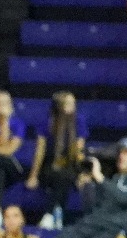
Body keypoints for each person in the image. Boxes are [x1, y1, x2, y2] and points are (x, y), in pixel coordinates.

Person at [27, 90, 85, 224]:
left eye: (74, 103)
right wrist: (33, 176)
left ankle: (49, 215)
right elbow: (40, 151)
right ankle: (57, 213)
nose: (73, 106)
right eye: (69, 103)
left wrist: (82, 173)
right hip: (50, 165)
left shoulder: (79, 121)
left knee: (66, 175)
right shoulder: (47, 122)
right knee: (61, 175)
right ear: (59, 106)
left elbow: (78, 151)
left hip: (70, 164)